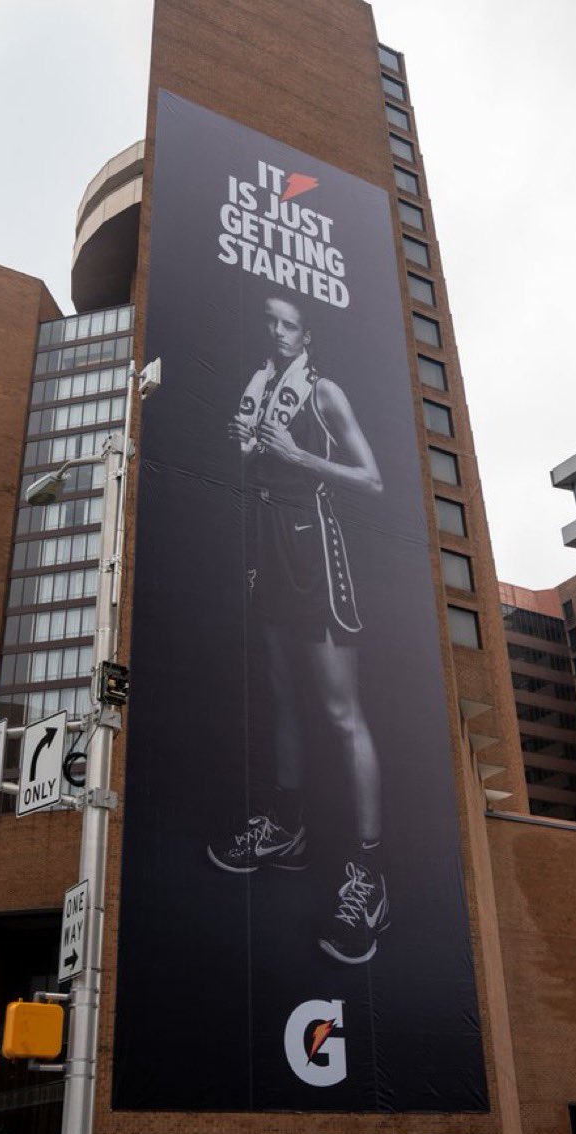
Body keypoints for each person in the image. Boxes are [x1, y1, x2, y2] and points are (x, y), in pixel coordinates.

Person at [207, 294, 389, 965]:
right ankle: (287, 827)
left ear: (307, 332)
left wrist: (294, 454)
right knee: (283, 691)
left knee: (342, 712)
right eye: (270, 322)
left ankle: (368, 873)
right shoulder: (263, 383)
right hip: (271, 539)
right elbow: (258, 463)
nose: (278, 332)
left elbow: (370, 479)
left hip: (317, 546)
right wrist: (249, 446)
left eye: (289, 324)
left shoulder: (324, 392)